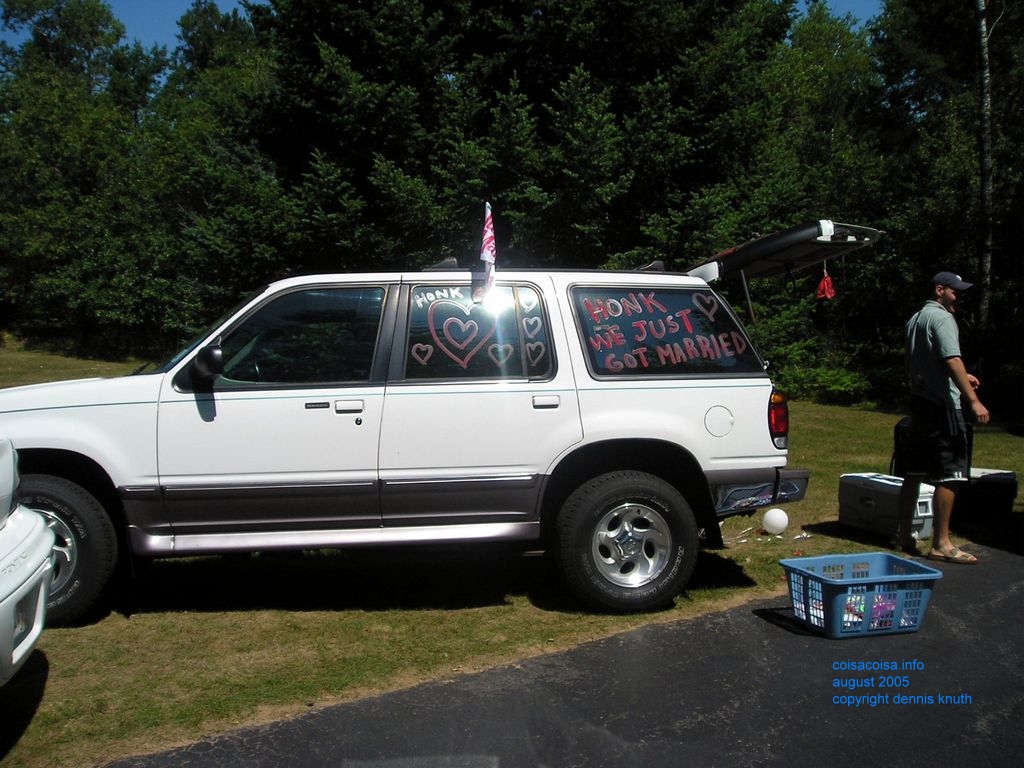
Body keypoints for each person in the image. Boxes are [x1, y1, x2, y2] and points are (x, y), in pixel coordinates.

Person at [898, 271, 990, 563]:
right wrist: (973, 400)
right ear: (940, 290)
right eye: (955, 291)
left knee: (914, 472)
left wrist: (962, 377)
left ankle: (903, 535)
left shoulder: (916, 319)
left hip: (919, 402)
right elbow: (951, 358)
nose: (958, 297)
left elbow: (923, 361)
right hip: (942, 407)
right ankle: (942, 543)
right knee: (950, 473)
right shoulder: (942, 318)